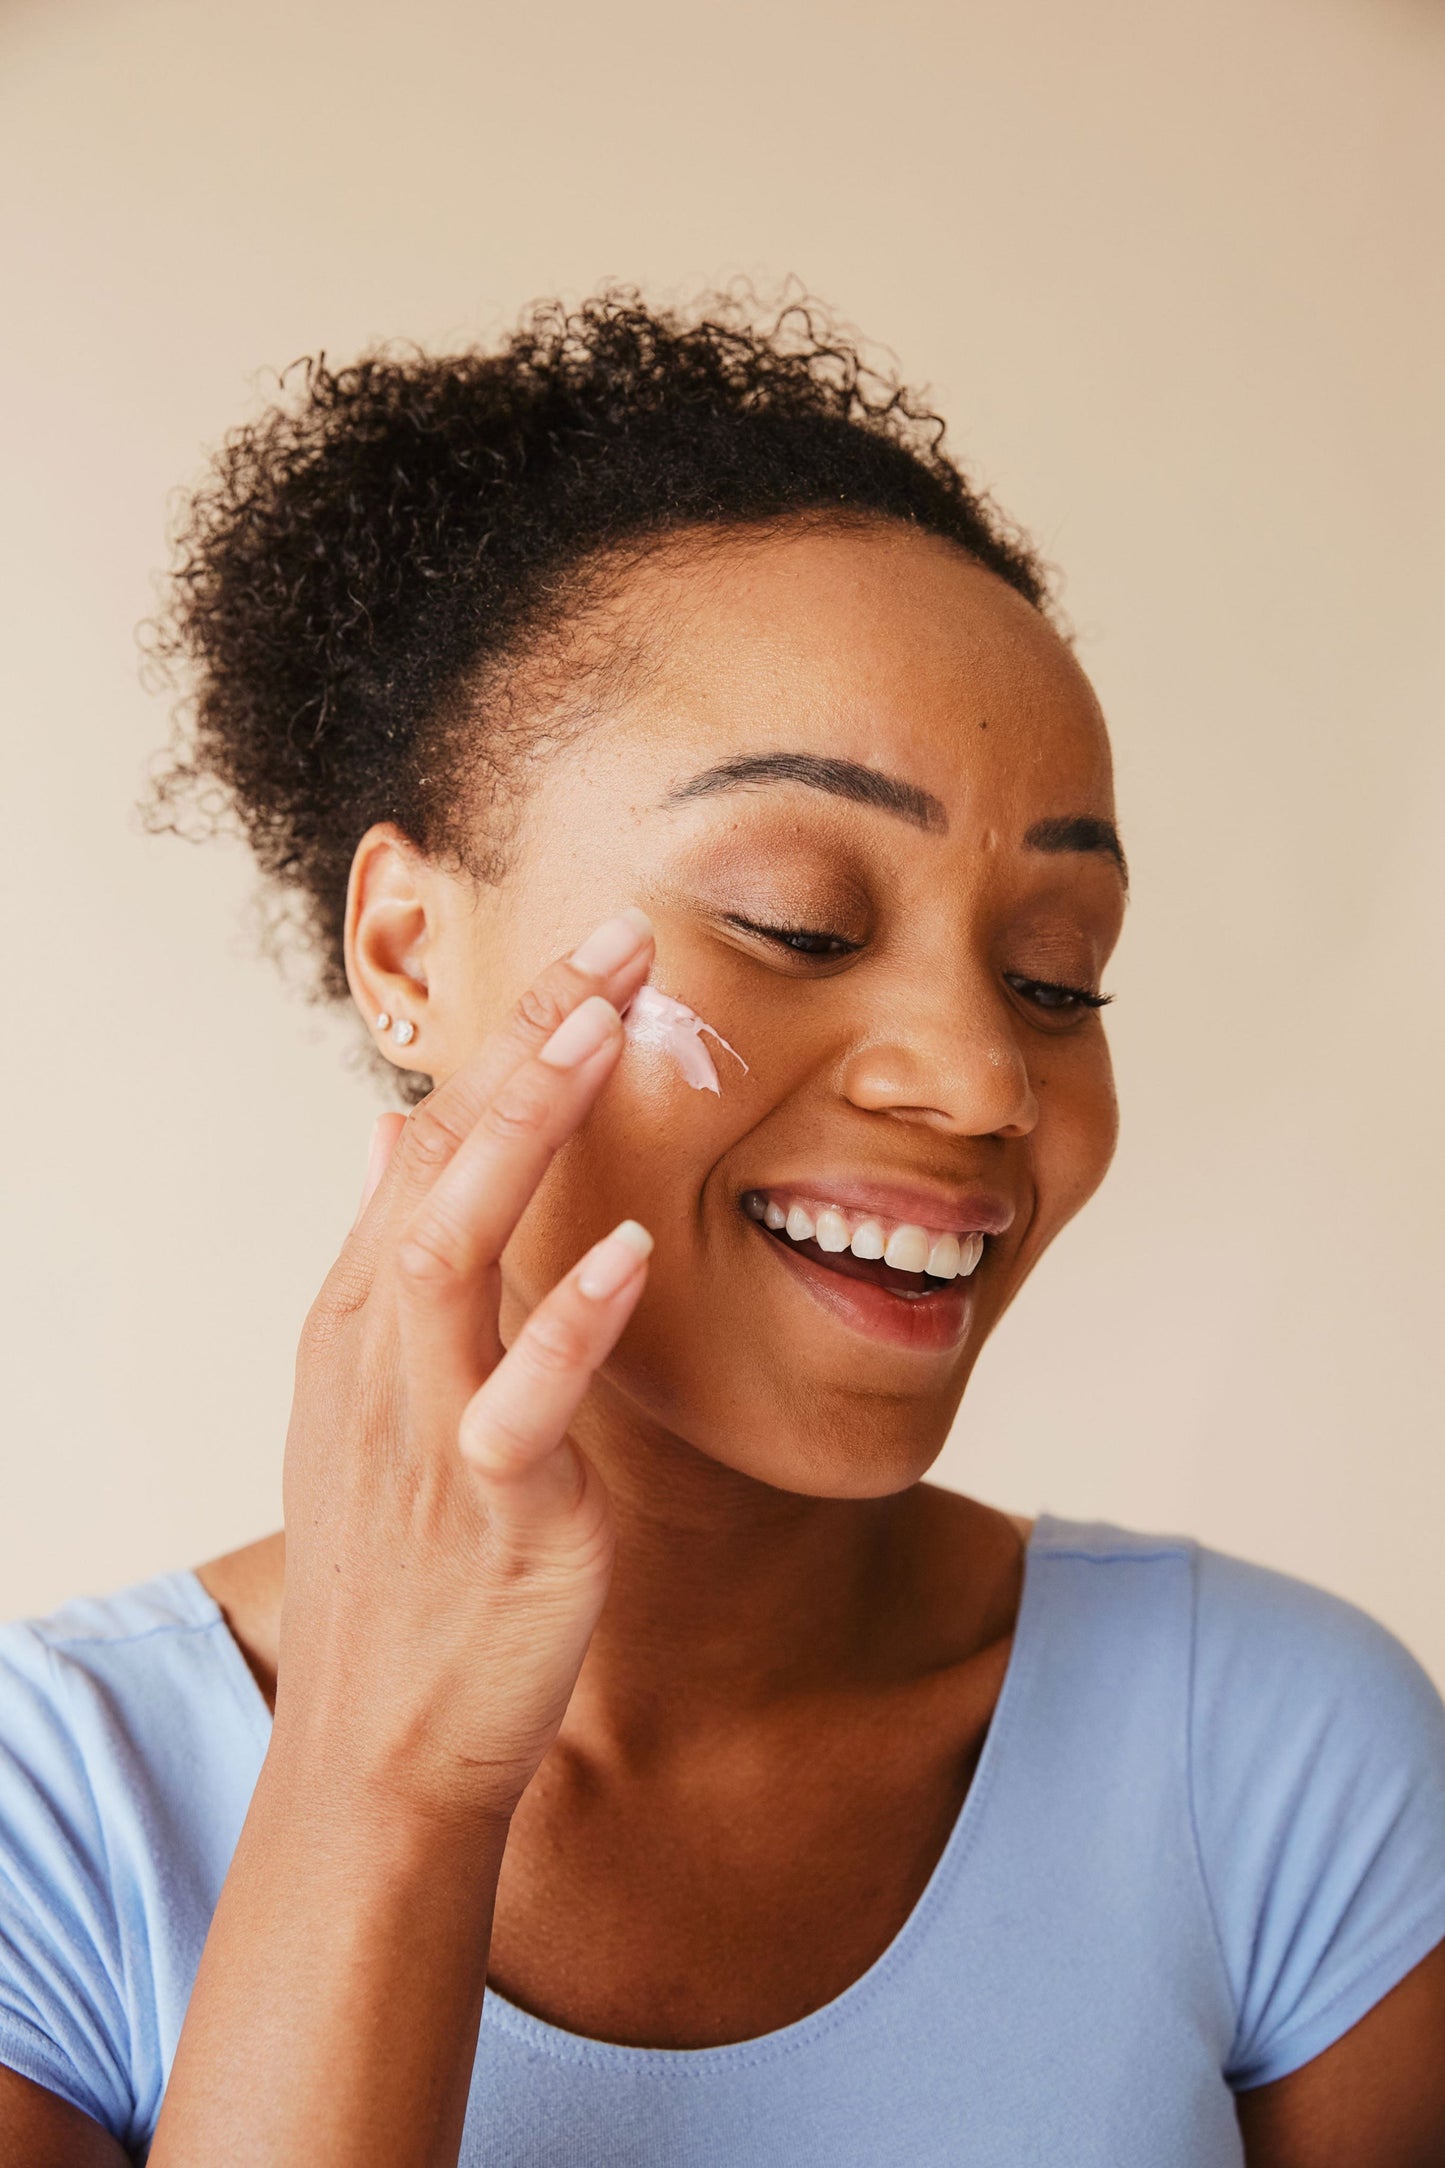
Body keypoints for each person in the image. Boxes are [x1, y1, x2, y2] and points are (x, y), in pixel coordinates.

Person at [1, 291, 1442, 2168]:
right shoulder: (55, 1819)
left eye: (1055, 977)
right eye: (797, 922)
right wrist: (382, 1774)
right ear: (408, 952)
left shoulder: (1271, 1750)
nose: (982, 1082)